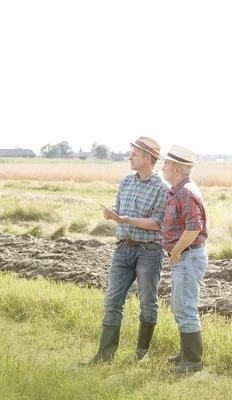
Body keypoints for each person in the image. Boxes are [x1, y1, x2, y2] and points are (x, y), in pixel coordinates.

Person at [82, 136, 170, 365]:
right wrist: (112, 213)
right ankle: (104, 356)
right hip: (122, 249)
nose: (129, 157)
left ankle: (141, 354)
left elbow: (157, 223)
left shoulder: (162, 189)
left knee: (147, 302)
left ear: (148, 158)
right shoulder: (126, 182)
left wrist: (127, 220)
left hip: (149, 252)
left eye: (134, 153)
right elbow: (118, 207)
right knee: (112, 300)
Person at [161, 144, 209, 374]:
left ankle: (193, 361)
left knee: (185, 306)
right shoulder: (179, 191)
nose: (163, 167)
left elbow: (193, 228)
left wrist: (177, 251)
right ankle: (186, 353)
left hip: (188, 256)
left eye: (167, 164)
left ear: (177, 169)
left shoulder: (186, 193)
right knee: (180, 306)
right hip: (185, 256)